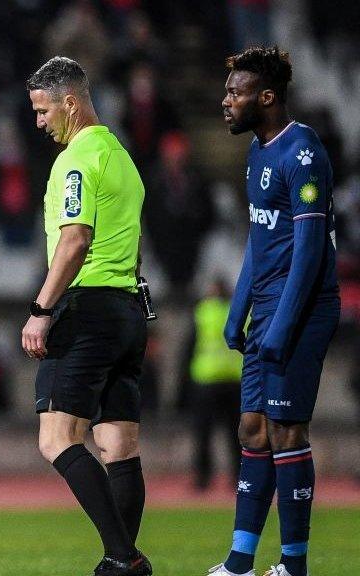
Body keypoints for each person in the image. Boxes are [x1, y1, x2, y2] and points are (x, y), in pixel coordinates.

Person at [209, 46, 339, 576]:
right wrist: (237, 310)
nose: (225, 102)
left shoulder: (302, 153)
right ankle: (241, 563)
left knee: (286, 430)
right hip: (266, 309)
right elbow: (260, 241)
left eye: (235, 94)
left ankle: (293, 565)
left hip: (302, 308)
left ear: (266, 98)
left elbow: (308, 253)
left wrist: (282, 326)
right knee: (251, 430)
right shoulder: (258, 154)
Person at [22, 56, 151, 576]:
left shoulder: (75, 159)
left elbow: (75, 240)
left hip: (88, 309)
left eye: (42, 109)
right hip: (128, 309)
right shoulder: (121, 156)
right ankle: (120, 561)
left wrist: (40, 310)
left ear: (69, 104)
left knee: (56, 439)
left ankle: (125, 557)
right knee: (117, 443)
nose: (38, 121)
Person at [183, 279, 242, 491]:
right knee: (235, 435)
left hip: (205, 380)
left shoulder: (202, 312)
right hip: (233, 380)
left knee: (203, 434)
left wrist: (183, 386)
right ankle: (238, 478)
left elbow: (189, 347)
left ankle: (202, 478)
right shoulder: (238, 311)